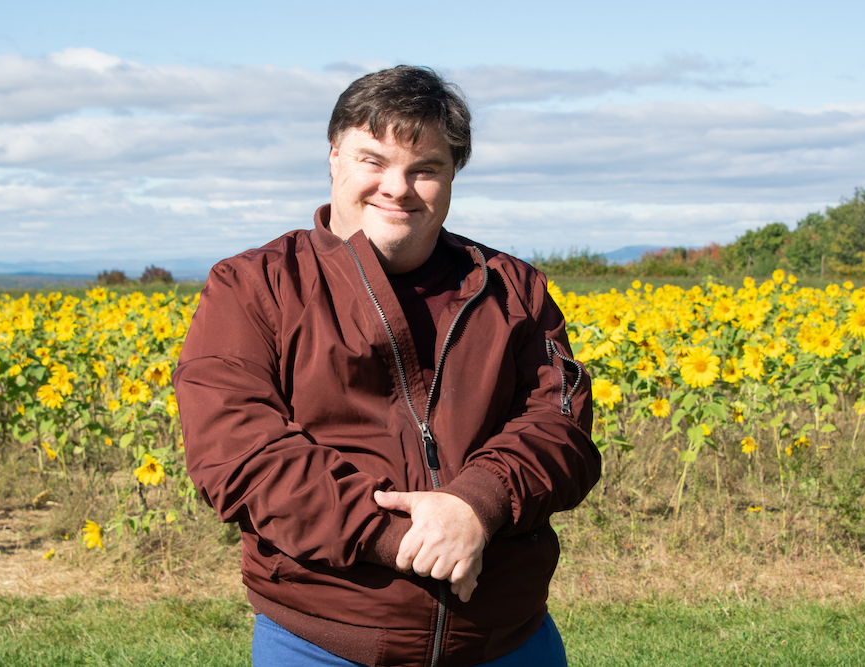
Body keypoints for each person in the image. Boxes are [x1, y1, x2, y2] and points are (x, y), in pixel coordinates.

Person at [172, 65, 600, 667]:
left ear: (453, 177)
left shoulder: (512, 288)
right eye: (373, 160)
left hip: (508, 639)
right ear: (333, 158)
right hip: (325, 641)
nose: (397, 187)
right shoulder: (252, 287)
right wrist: (410, 540)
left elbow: (562, 426)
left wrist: (478, 503)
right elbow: (240, 453)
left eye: (425, 169)